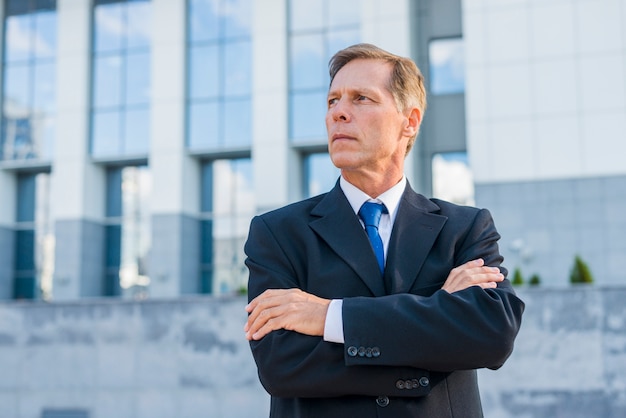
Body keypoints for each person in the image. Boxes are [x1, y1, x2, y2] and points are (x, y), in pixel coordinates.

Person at [244, 43, 525, 417]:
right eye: (332, 102)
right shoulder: (278, 232)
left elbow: (491, 335)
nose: (339, 113)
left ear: (409, 121)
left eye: (360, 98)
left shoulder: (465, 228)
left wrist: (329, 317)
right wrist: (437, 313)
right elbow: (282, 364)